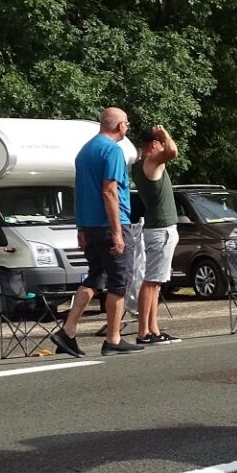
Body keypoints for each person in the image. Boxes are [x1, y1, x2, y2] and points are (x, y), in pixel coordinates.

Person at [57, 108, 145, 357]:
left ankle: (68, 330)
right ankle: (113, 339)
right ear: (119, 126)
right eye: (126, 124)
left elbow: (79, 190)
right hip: (111, 226)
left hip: (91, 227)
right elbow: (109, 191)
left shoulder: (85, 151)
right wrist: (117, 232)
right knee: (119, 282)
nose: (127, 128)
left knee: (94, 277)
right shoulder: (112, 150)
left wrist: (81, 227)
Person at [132, 126, 181, 346]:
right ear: (153, 145)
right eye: (159, 143)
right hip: (160, 231)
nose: (162, 147)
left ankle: (154, 329)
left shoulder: (143, 164)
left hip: (161, 230)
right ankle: (143, 332)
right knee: (151, 282)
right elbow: (172, 152)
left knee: (156, 283)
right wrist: (165, 136)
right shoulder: (150, 162)